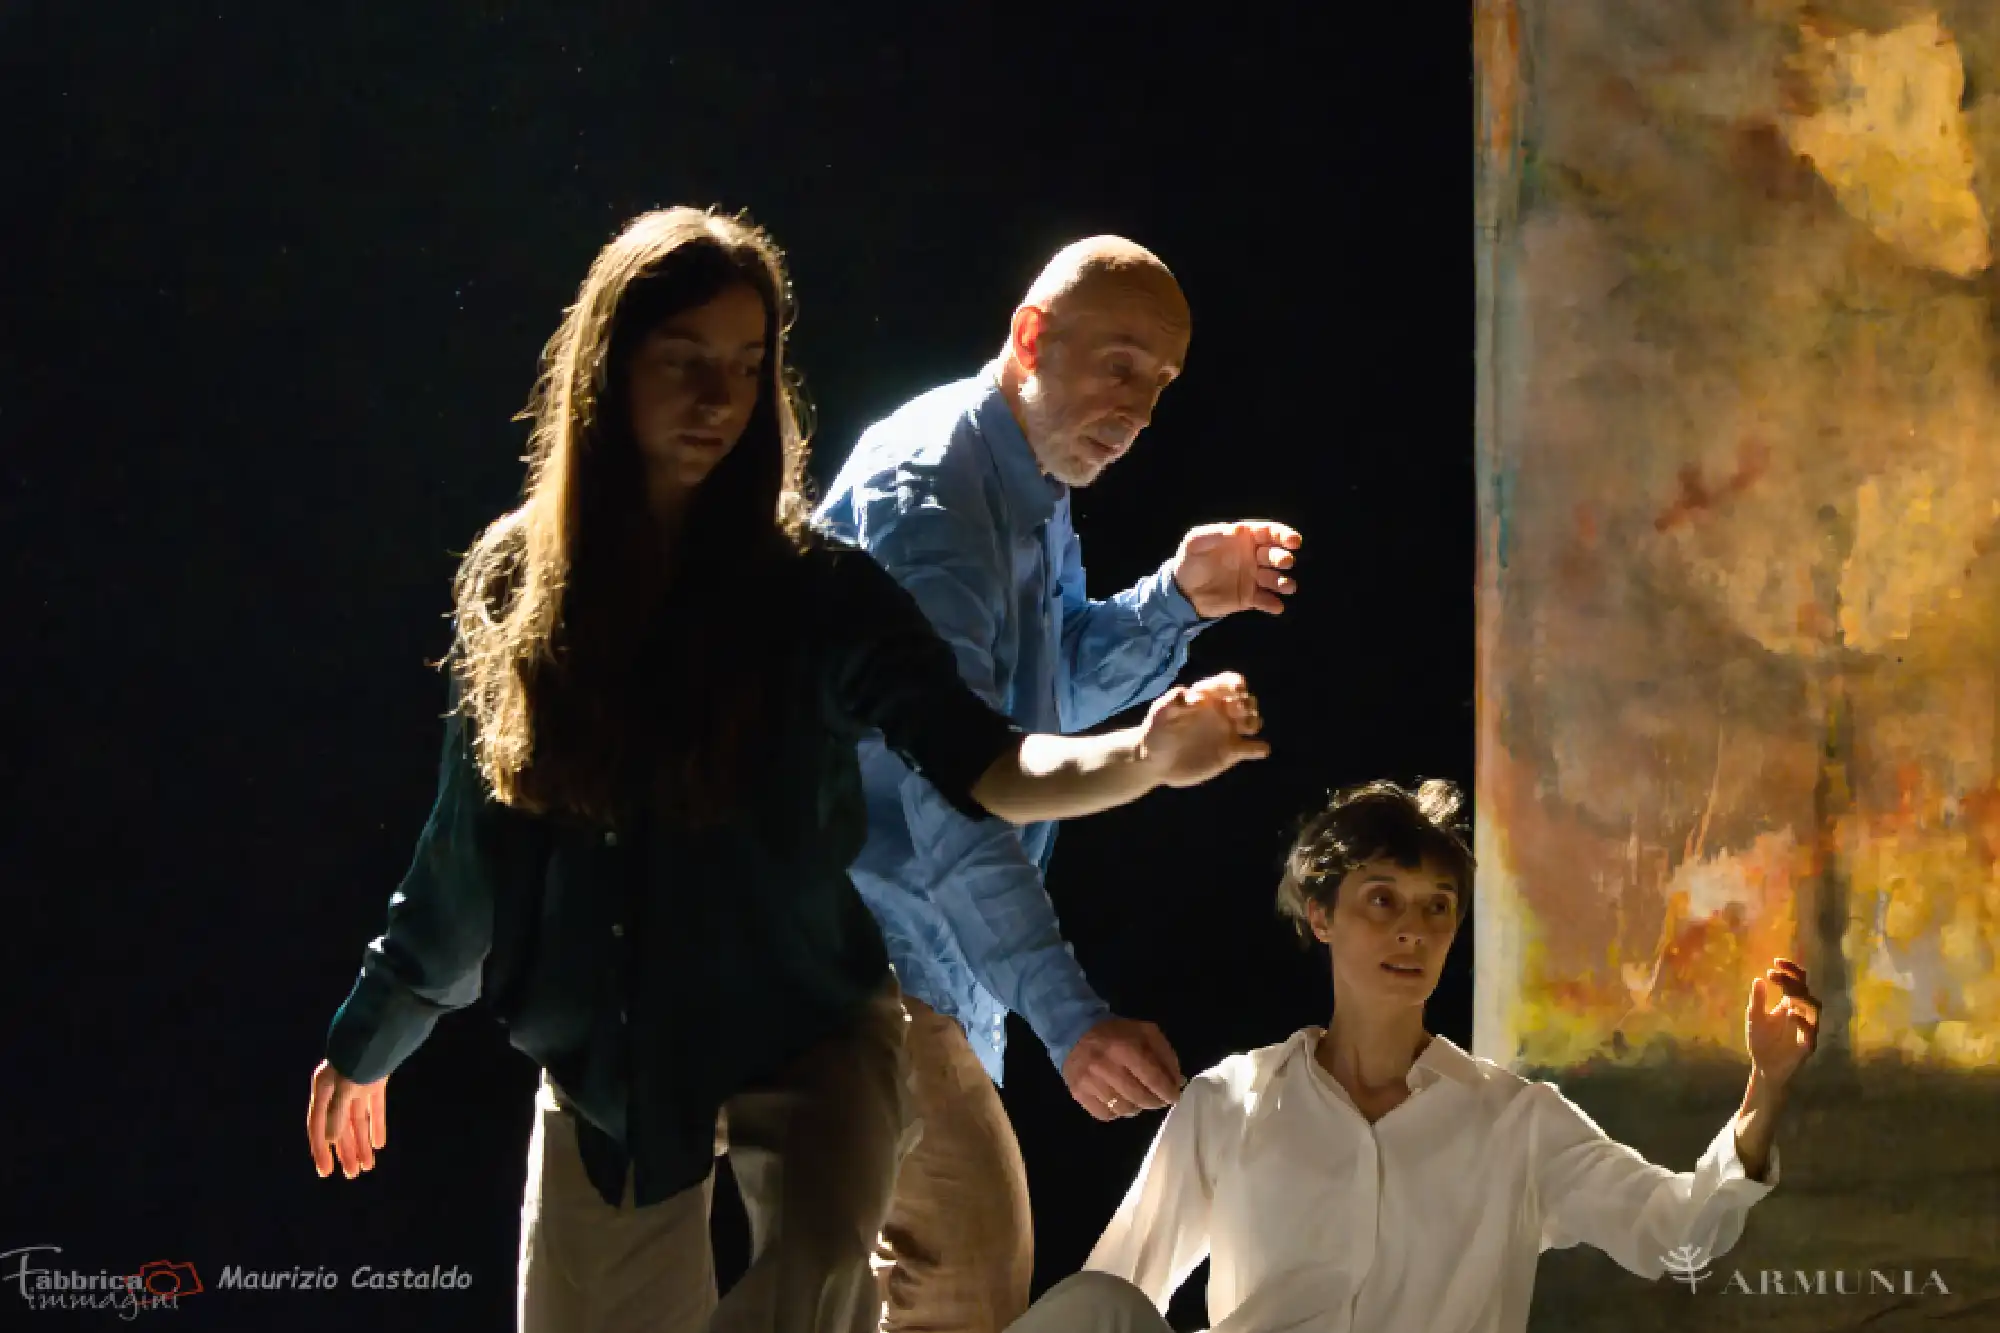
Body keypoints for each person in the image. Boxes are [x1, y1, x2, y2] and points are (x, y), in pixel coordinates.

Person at [300, 207, 1273, 1333]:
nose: (720, 398)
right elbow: (469, 848)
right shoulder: (540, 577)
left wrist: (1149, 720)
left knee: (876, 1265)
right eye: (684, 361)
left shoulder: (821, 583)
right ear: (610, 368)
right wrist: (374, 1035)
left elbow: (983, 755)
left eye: (747, 365)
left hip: (813, 1014)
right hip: (627, 1042)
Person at [813, 236, 1302, 1331]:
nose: (1139, 410)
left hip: (905, 961)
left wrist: (1178, 598)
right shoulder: (932, 499)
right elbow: (957, 789)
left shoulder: (1026, 478)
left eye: (1160, 383)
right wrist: (1070, 1018)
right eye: (1120, 365)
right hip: (852, 958)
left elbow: (1043, 689)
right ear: (1031, 337)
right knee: (963, 1271)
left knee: (924, 1285)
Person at [1013, 778, 1821, 1333]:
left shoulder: (1517, 1122)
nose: (1413, 929)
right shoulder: (1230, 1101)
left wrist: (1766, 1086)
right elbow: (1119, 1284)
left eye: (1437, 907)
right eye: (1383, 899)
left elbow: (1677, 1235)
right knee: (1093, 1303)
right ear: (1321, 915)